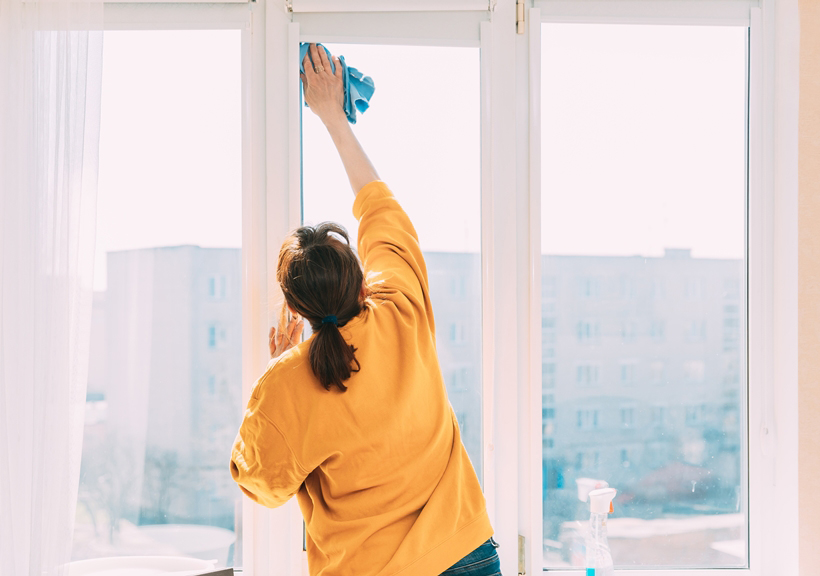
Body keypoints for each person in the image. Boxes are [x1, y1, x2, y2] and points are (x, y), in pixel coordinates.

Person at [230, 43, 500, 576]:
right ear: (362, 282)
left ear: (294, 307)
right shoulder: (400, 306)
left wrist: (278, 372)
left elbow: (259, 482)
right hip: (462, 553)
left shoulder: (288, 382)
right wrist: (331, 114)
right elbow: (379, 205)